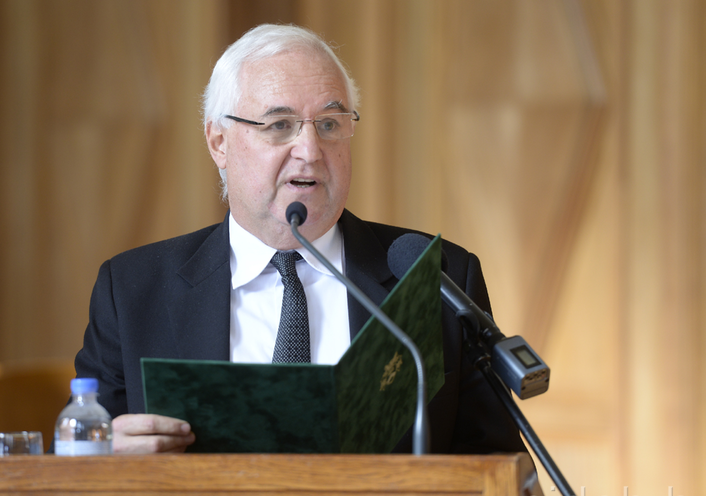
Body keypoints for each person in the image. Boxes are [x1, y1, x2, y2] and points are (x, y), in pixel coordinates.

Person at [72, 23, 526, 455]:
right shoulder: (132, 291)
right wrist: (103, 458)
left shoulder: (436, 276)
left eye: (329, 124)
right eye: (280, 125)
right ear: (218, 142)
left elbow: (499, 469)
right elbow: (80, 467)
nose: (310, 151)